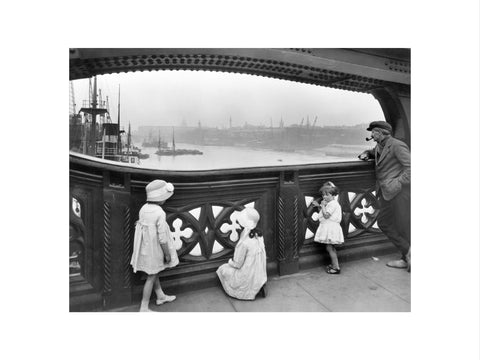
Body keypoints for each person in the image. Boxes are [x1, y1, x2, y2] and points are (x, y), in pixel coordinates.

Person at [358, 121, 411, 272]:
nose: (372, 135)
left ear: (381, 132)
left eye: (373, 132)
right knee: (384, 222)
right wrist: (366, 153)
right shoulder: (380, 145)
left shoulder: (397, 145)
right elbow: (376, 153)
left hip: (400, 192)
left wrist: (398, 183)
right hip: (387, 193)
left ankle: (406, 256)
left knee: (403, 225)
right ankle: (408, 253)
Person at [130, 179, 179, 312]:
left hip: (145, 247)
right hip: (155, 249)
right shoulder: (160, 213)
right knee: (151, 276)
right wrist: (167, 254)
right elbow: (162, 238)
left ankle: (160, 296)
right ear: (161, 198)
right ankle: (144, 307)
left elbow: (140, 225)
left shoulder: (143, 208)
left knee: (154, 271)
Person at [217, 207, 267, 300]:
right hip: (260, 273)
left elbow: (238, 264)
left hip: (246, 275)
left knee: (222, 269)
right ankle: (259, 285)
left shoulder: (244, 242)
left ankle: (247, 289)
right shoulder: (259, 236)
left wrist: (230, 262)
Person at [312, 181, 344, 274]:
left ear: (333, 195)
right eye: (323, 195)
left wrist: (322, 205)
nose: (324, 197)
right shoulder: (330, 203)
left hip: (331, 229)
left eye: (327, 195)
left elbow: (326, 215)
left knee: (330, 248)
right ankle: (334, 265)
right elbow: (323, 212)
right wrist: (320, 206)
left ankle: (336, 267)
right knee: (330, 248)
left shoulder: (333, 204)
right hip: (330, 227)